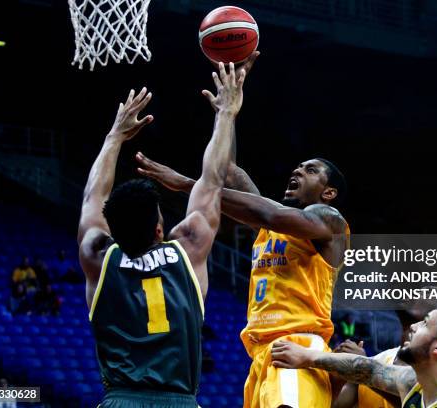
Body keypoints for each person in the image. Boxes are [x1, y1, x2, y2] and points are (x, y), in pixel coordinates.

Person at [136, 56, 348, 406]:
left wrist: (187, 184)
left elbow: (269, 213)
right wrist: (229, 108)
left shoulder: (329, 220)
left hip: (299, 346)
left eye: (310, 170)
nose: (297, 171)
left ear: (328, 192)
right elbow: (228, 169)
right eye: (297, 166)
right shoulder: (270, 228)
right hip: (261, 353)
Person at [77, 62, 246, 408]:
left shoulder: (97, 255)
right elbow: (212, 180)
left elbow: (93, 196)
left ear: (113, 228)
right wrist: (226, 113)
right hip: (179, 400)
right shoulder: (189, 246)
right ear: (159, 228)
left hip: (120, 400)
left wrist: (114, 137)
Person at [271, 302, 437, 408]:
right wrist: (307, 356)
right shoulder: (414, 383)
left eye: (424, 324)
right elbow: (367, 368)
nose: (413, 327)